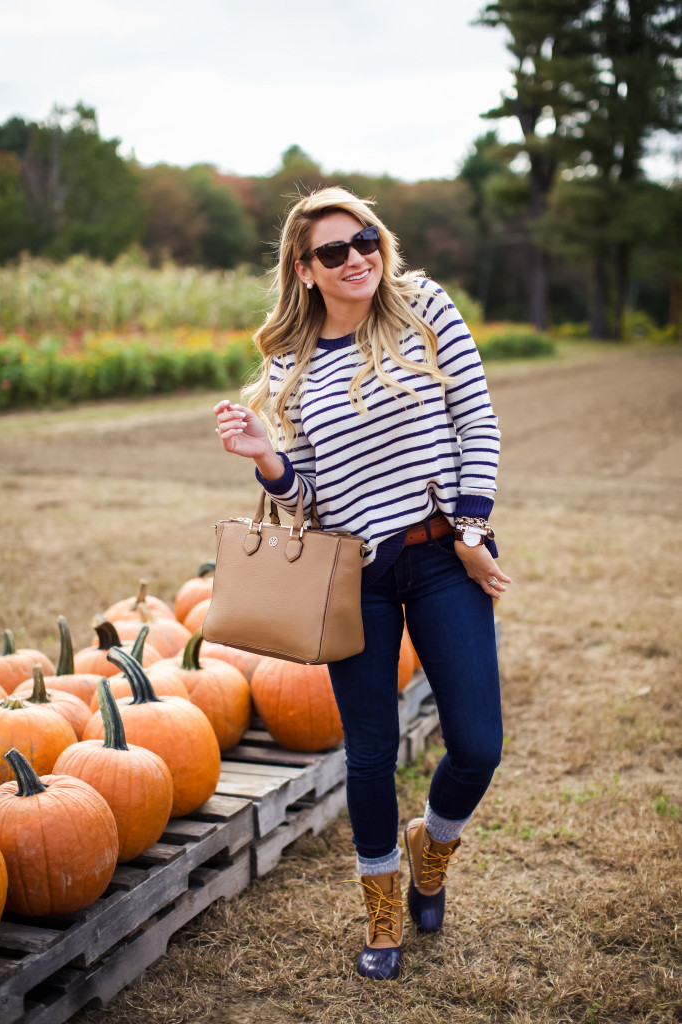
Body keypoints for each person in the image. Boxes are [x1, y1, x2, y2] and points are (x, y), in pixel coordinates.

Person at [214, 186, 511, 981]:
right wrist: (267, 457)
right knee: (371, 752)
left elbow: (475, 421)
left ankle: (432, 847)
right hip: (356, 576)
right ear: (304, 270)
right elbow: (302, 496)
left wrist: (474, 529)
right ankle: (381, 911)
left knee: (478, 743)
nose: (358, 259)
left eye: (366, 239)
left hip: (445, 554)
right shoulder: (291, 362)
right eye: (334, 252)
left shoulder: (423, 308)